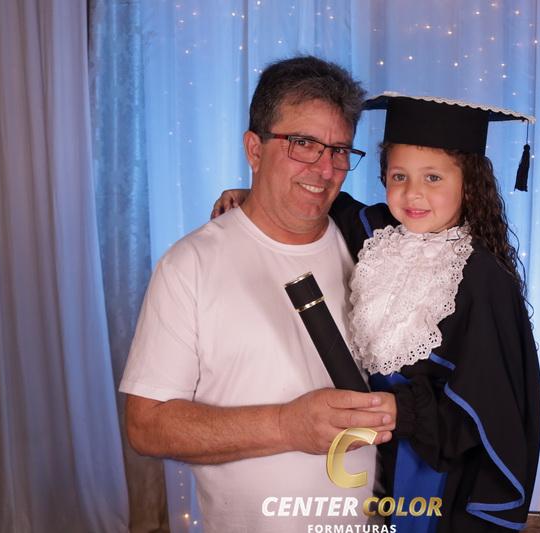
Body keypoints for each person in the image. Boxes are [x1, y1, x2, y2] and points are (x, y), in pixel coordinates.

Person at [214, 93, 540, 532]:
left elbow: (489, 407)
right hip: (361, 452)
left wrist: (401, 411)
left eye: (433, 178)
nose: (412, 193)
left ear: (470, 183)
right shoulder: (376, 234)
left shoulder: (483, 277)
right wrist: (254, 196)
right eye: (399, 176)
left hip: (434, 470)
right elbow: (324, 202)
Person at [119, 56, 397, 533]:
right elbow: (146, 426)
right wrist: (287, 426)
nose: (324, 169)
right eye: (303, 144)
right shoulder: (191, 265)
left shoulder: (371, 247)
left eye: (339, 150)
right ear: (254, 148)